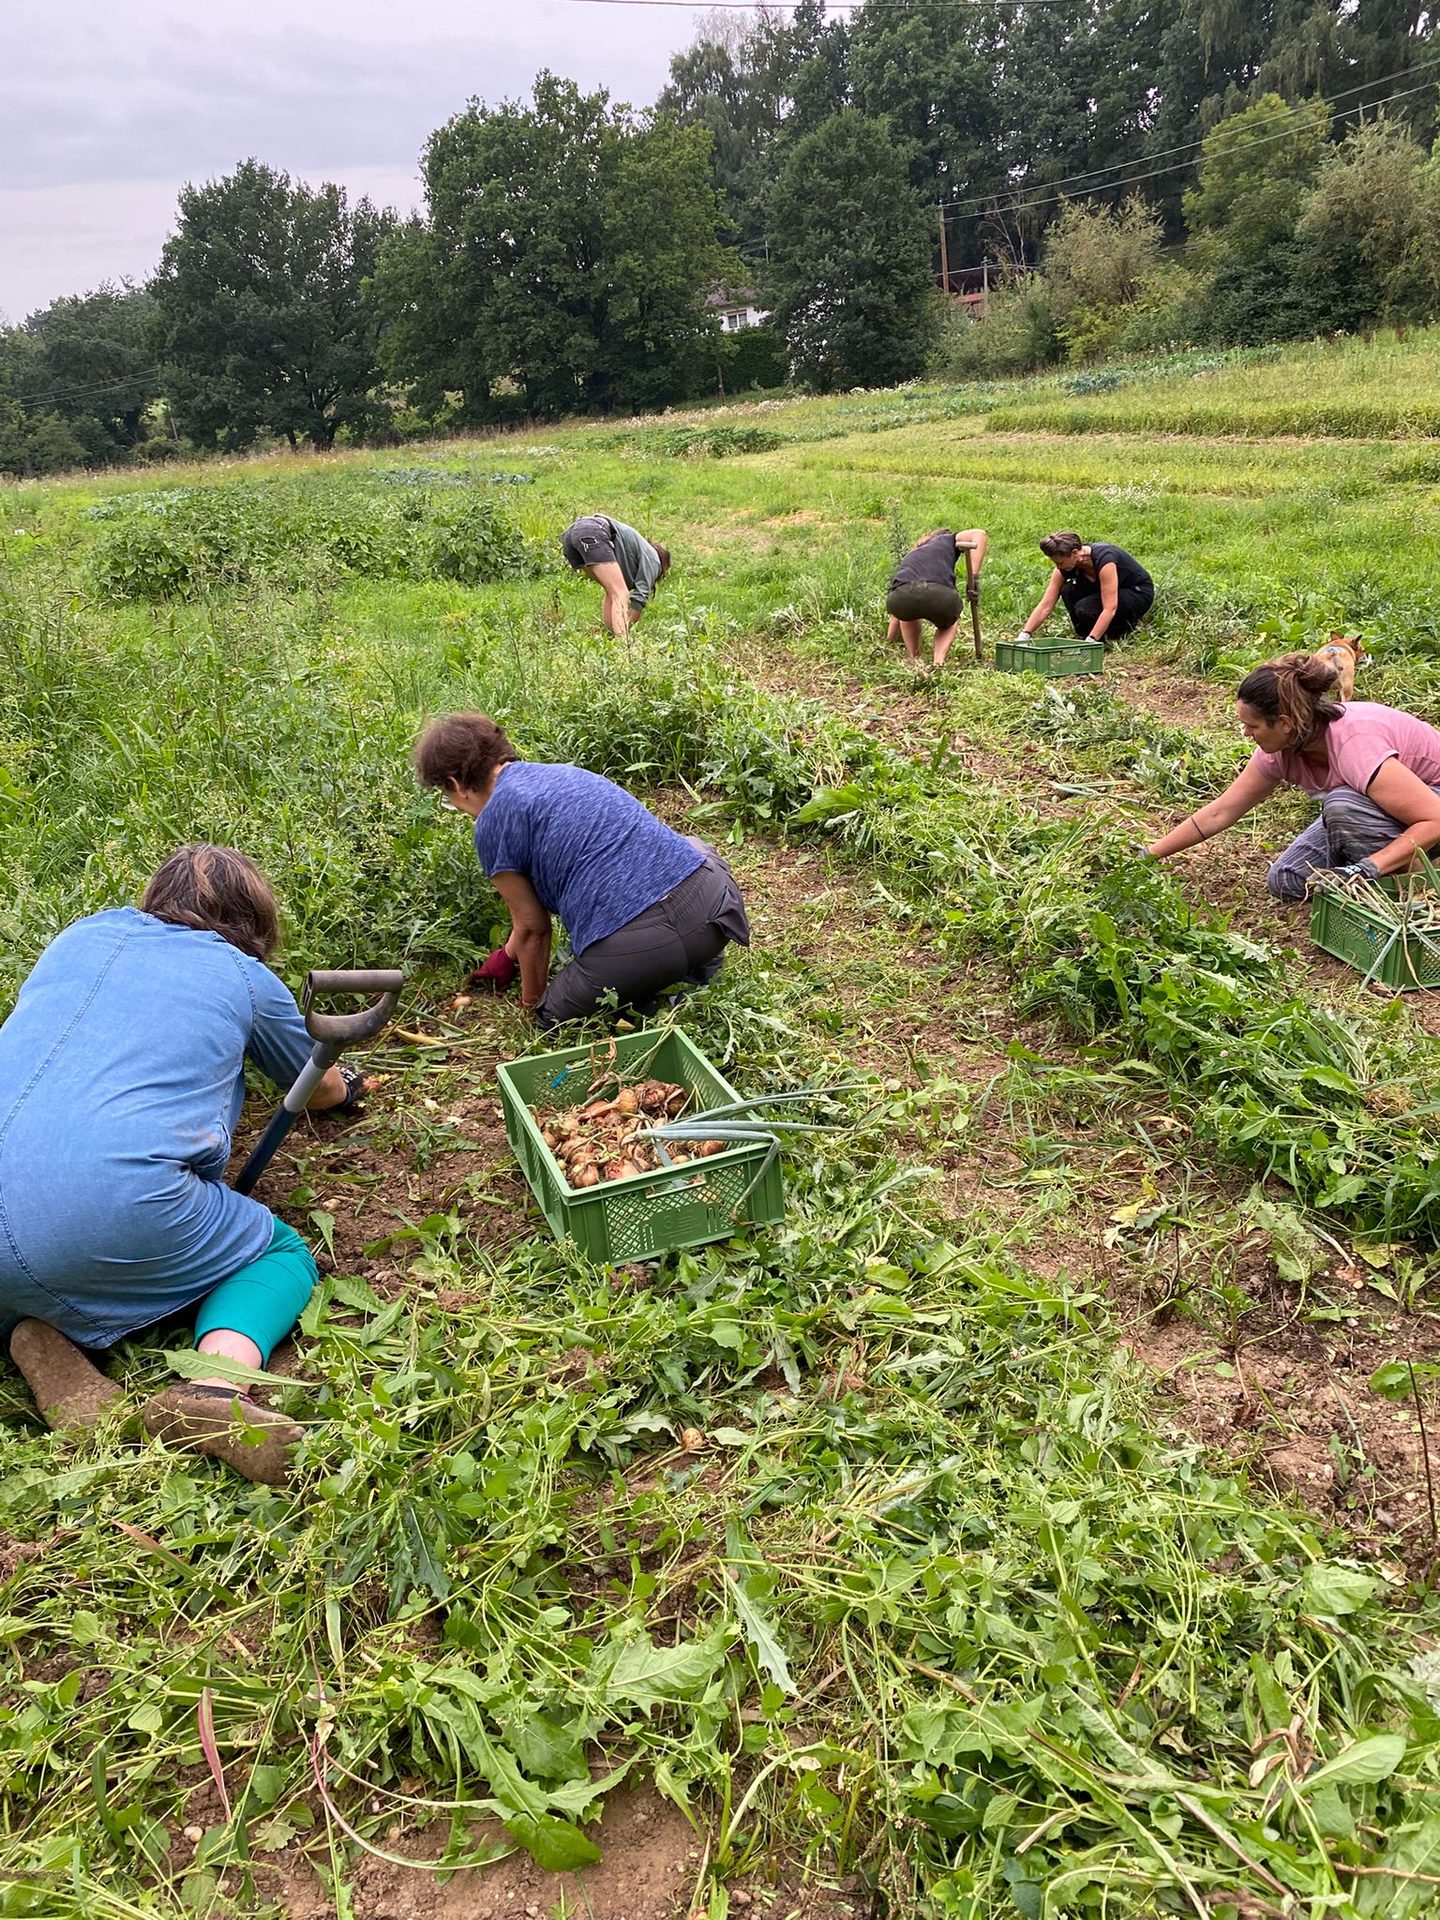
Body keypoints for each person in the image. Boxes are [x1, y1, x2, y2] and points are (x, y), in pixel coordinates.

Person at [0, 845, 363, 1484]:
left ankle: (28, 1331)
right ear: (252, 926)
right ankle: (219, 1389)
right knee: (278, 1254)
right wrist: (350, 1086)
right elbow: (318, 1083)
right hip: (112, 1204)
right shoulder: (243, 975)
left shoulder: (80, 936)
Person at [414, 713, 750, 1024]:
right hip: (715, 909)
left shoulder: (491, 822)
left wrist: (533, 1007)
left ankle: (658, 980)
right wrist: (507, 955)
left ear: (455, 783)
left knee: (554, 1015)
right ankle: (693, 967)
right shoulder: (565, 773)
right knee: (690, 845)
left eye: (447, 796)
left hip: (644, 946)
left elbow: (534, 928)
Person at [1147, 653, 1440, 899]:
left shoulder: (1355, 744)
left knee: (1340, 806)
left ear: (1285, 723)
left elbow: (1434, 818)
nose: (1246, 733)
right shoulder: (1280, 751)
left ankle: (1416, 876)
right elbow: (1220, 812)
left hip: (1429, 807)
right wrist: (1149, 855)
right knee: (1288, 879)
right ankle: (1382, 869)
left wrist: (1367, 867)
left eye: (1252, 726)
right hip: (1380, 811)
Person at [1018, 531, 1154, 648]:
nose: (1058, 567)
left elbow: (1110, 607)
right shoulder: (1064, 568)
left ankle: (1119, 631)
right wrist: (1024, 635)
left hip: (1136, 592)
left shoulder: (1105, 560)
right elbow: (1046, 605)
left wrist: (1091, 642)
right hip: (1104, 593)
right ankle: (1087, 633)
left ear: (1075, 553)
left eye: (1060, 562)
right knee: (1068, 591)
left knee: (1085, 608)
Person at [884, 527, 989, 669]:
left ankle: (914, 659)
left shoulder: (913, 554)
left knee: (906, 613)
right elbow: (979, 534)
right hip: (939, 594)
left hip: (900, 596)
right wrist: (974, 578)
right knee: (949, 623)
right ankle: (938, 662)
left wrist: (888, 642)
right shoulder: (947, 539)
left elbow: (897, 616)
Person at [561, 515, 671, 636]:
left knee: (612, 593)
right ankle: (623, 647)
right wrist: (626, 628)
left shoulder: (635, 551)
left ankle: (611, 636)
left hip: (571, 536)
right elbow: (639, 599)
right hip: (593, 530)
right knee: (621, 593)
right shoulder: (654, 560)